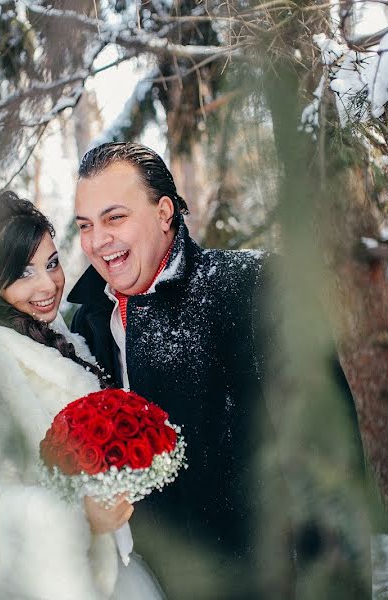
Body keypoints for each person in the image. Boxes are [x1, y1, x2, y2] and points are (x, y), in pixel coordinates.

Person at [68, 142, 271, 598]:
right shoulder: (86, 321)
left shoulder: (250, 289)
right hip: (140, 581)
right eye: (86, 225)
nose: (98, 240)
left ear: (164, 213)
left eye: (115, 217)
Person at [0, 190, 165, 599]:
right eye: (24, 273)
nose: (49, 284)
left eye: (51, 263)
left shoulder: (54, 334)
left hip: (105, 568)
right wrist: (81, 519)